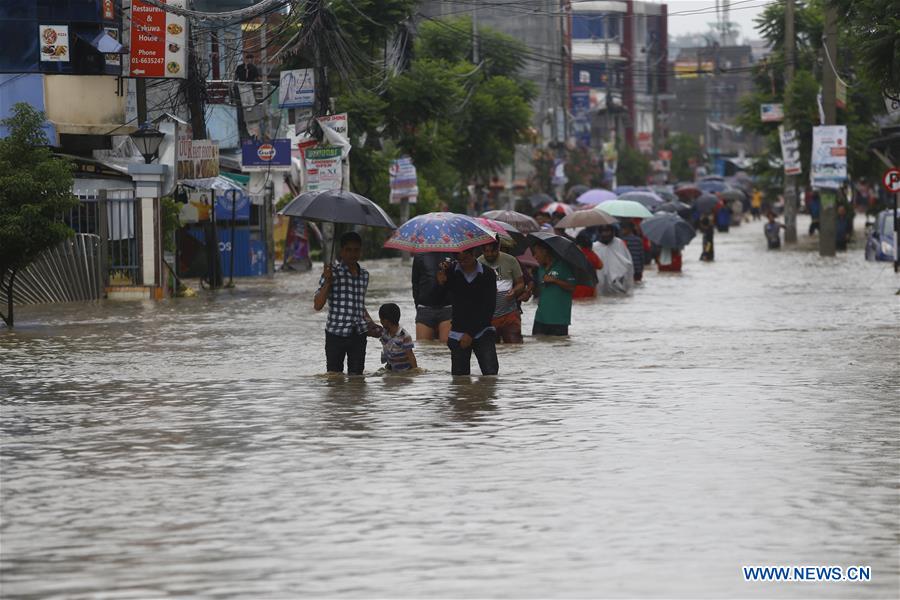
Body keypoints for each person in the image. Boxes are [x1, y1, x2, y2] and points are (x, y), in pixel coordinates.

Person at [313, 231, 379, 375]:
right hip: (335, 334)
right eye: (348, 250)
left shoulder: (364, 275)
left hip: (359, 334)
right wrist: (328, 283)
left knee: (357, 381)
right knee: (334, 378)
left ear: (360, 251)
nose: (352, 254)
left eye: (356, 250)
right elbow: (317, 305)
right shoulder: (332, 273)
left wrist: (371, 324)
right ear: (341, 251)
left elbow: (359, 305)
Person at [436, 247, 499, 376]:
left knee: (490, 376)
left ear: (473, 254)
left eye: (466, 258)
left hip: (483, 331)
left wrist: (470, 333)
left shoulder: (488, 274)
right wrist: (441, 283)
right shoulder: (451, 272)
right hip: (458, 332)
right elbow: (439, 300)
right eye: (459, 259)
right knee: (460, 380)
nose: (462, 262)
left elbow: (489, 308)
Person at [478, 240, 525, 343]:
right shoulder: (478, 263)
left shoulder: (511, 260)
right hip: (488, 317)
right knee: (491, 349)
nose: (489, 254)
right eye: (486, 251)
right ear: (482, 250)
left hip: (510, 314)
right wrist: (487, 291)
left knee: (514, 347)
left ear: (498, 248)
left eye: (493, 251)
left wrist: (514, 291)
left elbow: (521, 283)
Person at [532, 242, 576, 335]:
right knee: (537, 346)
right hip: (540, 317)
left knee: (558, 347)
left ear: (544, 252)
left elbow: (572, 287)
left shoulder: (563, 266)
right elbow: (538, 291)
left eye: (536, 253)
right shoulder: (539, 269)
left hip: (559, 320)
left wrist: (555, 281)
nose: (534, 257)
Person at [411, 252, 453, 342]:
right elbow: (415, 283)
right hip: (424, 308)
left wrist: (447, 277)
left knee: (446, 348)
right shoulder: (419, 256)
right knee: (424, 348)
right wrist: (418, 306)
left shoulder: (453, 255)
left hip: (448, 308)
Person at [593, 225, 634, 294]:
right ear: (599, 233)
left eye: (607, 231)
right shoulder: (595, 247)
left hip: (619, 283)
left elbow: (628, 263)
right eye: (603, 231)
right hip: (600, 285)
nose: (605, 234)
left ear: (613, 232)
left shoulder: (619, 243)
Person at [377, 303, 417, 372]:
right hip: (391, 369)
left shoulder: (404, 336)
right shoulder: (384, 334)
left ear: (386, 321)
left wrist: (415, 370)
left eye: (381, 319)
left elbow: (411, 355)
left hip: (405, 372)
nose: (380, 321)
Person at [573, 231, 602, 298]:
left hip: (576, 287)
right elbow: (600, 266)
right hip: (590, 286)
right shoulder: (592, 254)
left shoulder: (574, 254)